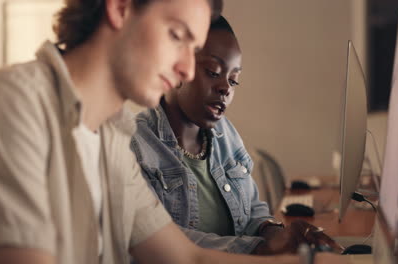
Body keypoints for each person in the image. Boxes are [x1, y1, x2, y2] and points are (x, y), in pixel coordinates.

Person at [0, 0, 347, 263]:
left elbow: (190, 258)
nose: (185, 69)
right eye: (176, 35)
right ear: (120, 7)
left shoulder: (111, 140)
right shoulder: (9, 102)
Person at [131, 15, 343, 255]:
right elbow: (163, 244)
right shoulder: (136, 147)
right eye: (213, 72)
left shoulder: (224, 134)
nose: (226, 88)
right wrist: (261, 248)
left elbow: (252, 209)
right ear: (177, 67)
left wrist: (276, 232)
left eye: (234, 80)